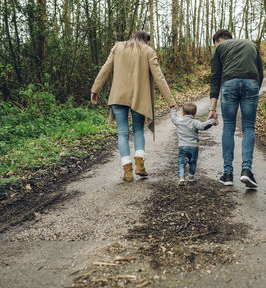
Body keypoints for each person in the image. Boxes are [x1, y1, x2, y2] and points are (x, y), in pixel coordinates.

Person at [90, 31, 177, 182]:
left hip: (118, 97)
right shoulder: (148, 50)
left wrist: (95, 89)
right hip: (139, 98)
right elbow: (159, 77)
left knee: (122, 133)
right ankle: (140, 165)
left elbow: (105, 69)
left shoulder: (117, 47)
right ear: (147, 41)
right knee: (138, 130)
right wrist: (171, 102)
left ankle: (127, 171)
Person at [207, 29, 263, 189]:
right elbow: (260, 72)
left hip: (229, 83)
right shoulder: (251, 45)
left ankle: (228, 174)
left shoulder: (219, 48)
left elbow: (215, 77)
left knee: (229, 127)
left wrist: (212, 108)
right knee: (248, 127)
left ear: (218, 40)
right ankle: (246, 170)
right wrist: (252, 91)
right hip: (251, 82)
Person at [171, 103, 216, 186]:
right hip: (193, 147)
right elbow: (203, 126)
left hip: (182, 146)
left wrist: (173, 110)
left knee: (181, 162)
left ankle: (181, 177)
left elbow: (173, 119)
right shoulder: (195, 122)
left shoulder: (179, 121)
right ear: (195, 114)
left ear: (182, 113)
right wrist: (212, 121)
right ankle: (191, 177)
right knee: (193, 162)